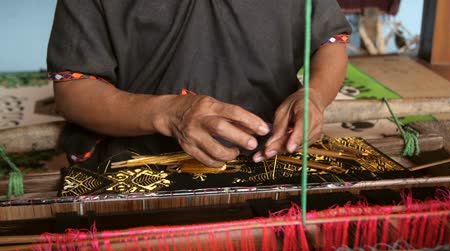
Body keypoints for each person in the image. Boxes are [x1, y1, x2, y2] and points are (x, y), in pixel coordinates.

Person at [47, 0, 351, 171]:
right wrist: (168, 113)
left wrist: (313, 96)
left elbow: (330, 42)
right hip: (139, 164)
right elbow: (74, 88)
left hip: (271, 159)